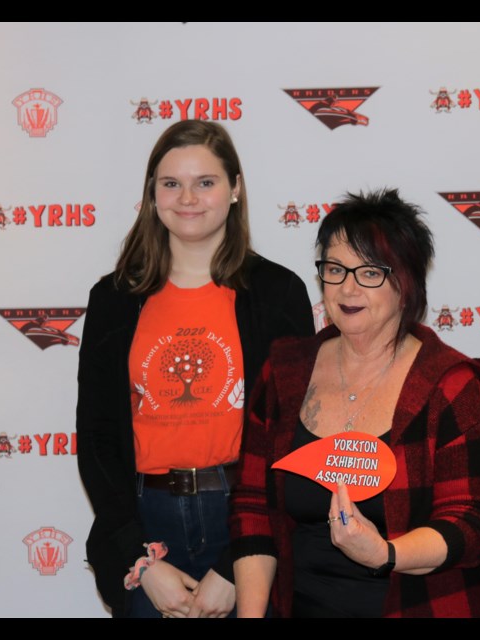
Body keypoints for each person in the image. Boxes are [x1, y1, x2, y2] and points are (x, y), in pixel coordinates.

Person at [76, 120, 314, 617]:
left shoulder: (277, 293)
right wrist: (141, 560)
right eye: (171, 183)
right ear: (152, 194)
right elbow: (96, 438)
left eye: (205, 182)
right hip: (145, 520)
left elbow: (292, 437)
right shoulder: (114, 299)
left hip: (245, 517)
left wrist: (236, 563)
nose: (188, 197)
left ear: (235, 189)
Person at [229, 189, 480, 617]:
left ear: (406, 282)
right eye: (334, 269)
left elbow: (473, 520)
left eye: (369, 272)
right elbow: (252, 507)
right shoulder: (284, 372)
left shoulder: (450, 384)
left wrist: (384, 553)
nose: (347, 287)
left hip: (417, 606)